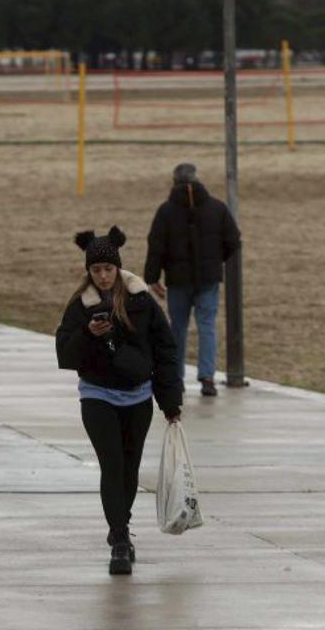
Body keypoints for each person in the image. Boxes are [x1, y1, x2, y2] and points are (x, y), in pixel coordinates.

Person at [56, 226, 182, 576]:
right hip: (97, 395)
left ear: (118, 267)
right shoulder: (80, 307)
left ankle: (118, 526)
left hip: (138, 396)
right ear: (89, 272)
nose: (103, 276)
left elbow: (165, 351)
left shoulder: (142, 301)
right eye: (96, 270)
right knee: (112, 466)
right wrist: (87, 334)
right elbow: (64, 354)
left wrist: (170, 401)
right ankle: (121, 540)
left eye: (108, 269)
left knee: (129, 469)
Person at [143, 163, 241, 397]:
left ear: (174, 181)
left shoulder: (166, 211)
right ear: (197, 179)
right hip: (208, 279)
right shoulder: (217, 208)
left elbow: (156, 246)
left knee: (178, 328)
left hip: (177, 281)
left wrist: (152, 278)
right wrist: (217, 261)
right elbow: (233, 240)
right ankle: (207, 377)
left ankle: (176, 378)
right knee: (207, 325)